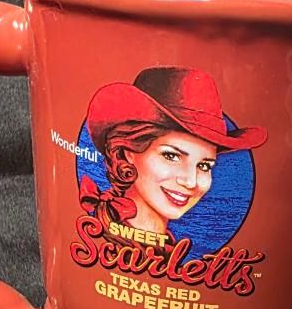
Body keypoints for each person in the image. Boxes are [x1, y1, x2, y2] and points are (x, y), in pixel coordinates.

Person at [79, 67, 267, 244]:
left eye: (204, 166)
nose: (191, 182)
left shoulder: (167, 247)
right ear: (128, 152)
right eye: (171, 156)